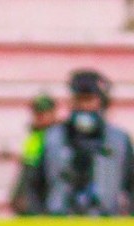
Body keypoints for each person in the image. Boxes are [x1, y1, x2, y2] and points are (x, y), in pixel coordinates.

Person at [27, 68, 134, 216]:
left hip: (105, 222)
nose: (84, 106)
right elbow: (32, 186)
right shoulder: (52, 138)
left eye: (89, 100)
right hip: (59, 221)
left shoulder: (119, 140)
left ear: (101, 102)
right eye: (79, 99)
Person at [8, 93, 57, 216]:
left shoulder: (57, 136)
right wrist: (19, 194)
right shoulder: (35, 136)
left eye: (44, 112)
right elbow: (27, 169)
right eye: (37, 112)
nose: (40, 116)